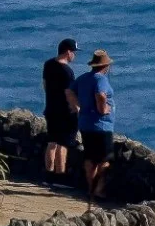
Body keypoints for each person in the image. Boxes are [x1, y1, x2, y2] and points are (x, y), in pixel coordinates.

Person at [74, 50, 117, 198]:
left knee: (90, 157)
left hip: (85, 124)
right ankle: (98, 190)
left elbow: (69, 91)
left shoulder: (83, 78)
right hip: (101, 125)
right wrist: (103, 108)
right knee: (104, 159)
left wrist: (78, 107)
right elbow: (100, 94)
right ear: (106, 66)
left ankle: (90, 188)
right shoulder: (101, 79)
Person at [41, 39, 80, 177]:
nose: (74, 56)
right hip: (65, 113)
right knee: (63, 144)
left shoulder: (48, 64)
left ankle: (48, 175)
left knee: (52, 142)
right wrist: (77, 109)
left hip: (51, 109)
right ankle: (60, 176)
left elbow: (45, 85)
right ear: (68, 52)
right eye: (73, 52)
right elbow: (69, 93)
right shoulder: (67, 72)